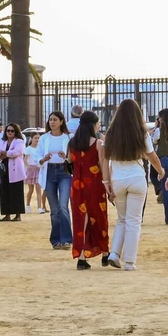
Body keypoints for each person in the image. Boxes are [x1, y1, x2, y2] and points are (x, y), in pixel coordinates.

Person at [100, 100, 164, 271]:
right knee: (134, 221)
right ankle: (129, 261)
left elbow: (105, 160)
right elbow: (152, 157)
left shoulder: (111, 133)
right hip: (136, 177)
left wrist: (106, 182)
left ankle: (114, 253)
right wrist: (161, 171)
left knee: (122, 219)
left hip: (117, 179)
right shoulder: (141, 133)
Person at [68, 110, 110, 270]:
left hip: (77, 184)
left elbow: (70, 161)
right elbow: (102, 164)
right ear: (93, 124)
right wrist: (108, 184)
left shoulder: (72, 143)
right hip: (94, 184)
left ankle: (81, 256)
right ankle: (105, 253)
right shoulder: (98, 143)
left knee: (80, 220)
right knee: (99, 217)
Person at [37, 111, 73, 249]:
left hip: (64, 172)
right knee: (54, 209)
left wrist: (66, 157)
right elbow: (37, 155)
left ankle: (67, 239)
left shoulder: (68, 137)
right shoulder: (44, 138)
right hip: (49, 171)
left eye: (55, 119)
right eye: (50, 119)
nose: (52, 122)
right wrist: (43, 159)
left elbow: (73, 157)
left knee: (63, 206)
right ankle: (56, 240)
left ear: (62, 121)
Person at [0, 122, 26, 221]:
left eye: (12, 131)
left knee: (16, 192)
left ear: (16, 132)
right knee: (4, 191)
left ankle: (18, 214)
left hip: (15, 169)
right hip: (4, 168)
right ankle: (7, 214)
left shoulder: (19, 141)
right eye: (8, 130)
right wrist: (7, 153)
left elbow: (16, 152)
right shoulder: (3, 141)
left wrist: (5, 153)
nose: (9, 132)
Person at [23, 129, 45, 213]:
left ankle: (39, 208)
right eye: (35, 138)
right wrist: (28, 166)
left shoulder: (40, 149)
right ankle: (27, 205)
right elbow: (25, 159)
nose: (37, 139)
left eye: (38, 138)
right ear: (31, 139)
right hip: (31, 170)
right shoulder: (28, 149)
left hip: (38, 169)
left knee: (38, 189)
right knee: (31, 190)